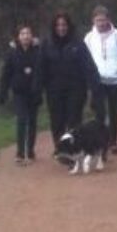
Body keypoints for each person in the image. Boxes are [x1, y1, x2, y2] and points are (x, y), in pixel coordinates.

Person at [41, 11, 94, 154]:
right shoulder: (47, 44)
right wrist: (37, 88)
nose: (61, 28)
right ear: (54, 27)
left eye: (64, 25)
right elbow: (41, 67)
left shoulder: (78, 43)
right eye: (58, 25)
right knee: (57, 121)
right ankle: (60, 148)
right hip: (54, 90)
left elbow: (88, 65)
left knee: (74, 120)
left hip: (76, 89)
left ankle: (73, 148)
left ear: (69, 26)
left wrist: (93, 86)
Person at [83, 4, 117, 156]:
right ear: (93, 21)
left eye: (103, 20)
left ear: (108, 19)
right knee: (100, 113)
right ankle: (100, 142)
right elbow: (85, 58)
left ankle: (113, 142)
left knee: (113, 111)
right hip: (98, 80)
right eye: (98, 20)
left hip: (115, 80)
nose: (101, 23)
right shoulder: (89, 38)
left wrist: (116, 68)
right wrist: (92, 74)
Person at [0, 23, 44, 164]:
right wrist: (2, 93)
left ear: (32, 36)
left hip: (34, 92)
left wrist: (41, 88)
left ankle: (30, 150)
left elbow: (43, 71)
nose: (26, 36)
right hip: (19, 92)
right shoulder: (12, 53)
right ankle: (20, 153)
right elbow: (6, 74)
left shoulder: (38, 51)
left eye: (28, 33)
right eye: (22, 34)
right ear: (18, 37)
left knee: (33, 121)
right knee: (22, 120)